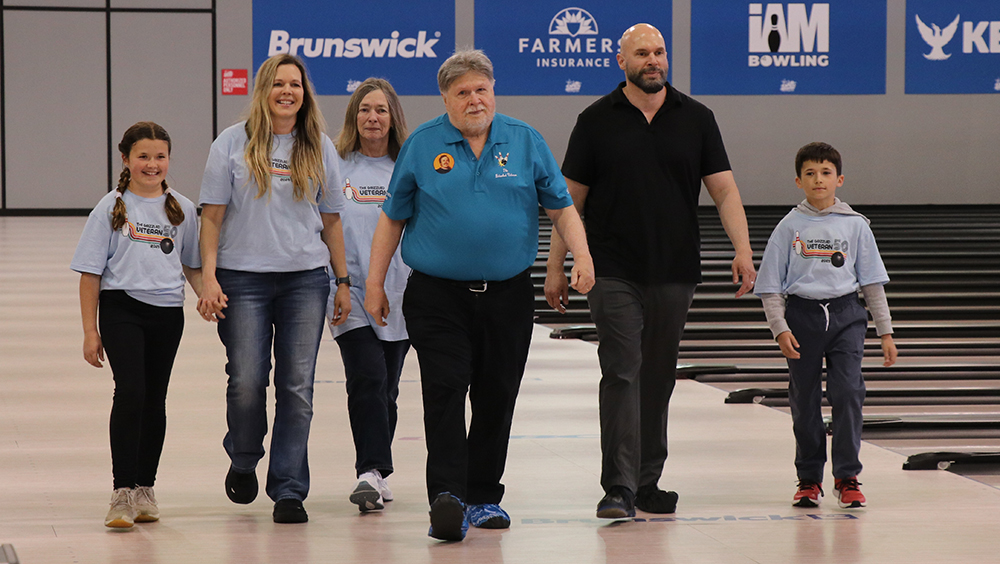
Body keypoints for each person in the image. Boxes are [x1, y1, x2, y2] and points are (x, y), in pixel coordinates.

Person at [365, 49, 595, 541]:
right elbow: (392, 217)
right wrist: (374, 283)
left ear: (494, 92)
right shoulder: (423, 144)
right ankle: (447, 497)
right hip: (436, 295)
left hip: (507, 295)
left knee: (496, 395)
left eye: (482, 90)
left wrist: (582, 256)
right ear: (445, 98)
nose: (474, 100)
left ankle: (484, 496)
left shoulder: (524, 140)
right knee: (445, 389)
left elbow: (561, 206)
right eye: (463, 92)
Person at [544, 23, 756, 519]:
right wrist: (556, 265)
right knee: (622, 370)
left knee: (658, 376)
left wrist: (744, 249)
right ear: (622, 61)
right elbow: (569, 199)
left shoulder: (696, 118)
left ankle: (647, 482)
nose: (653, 60)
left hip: (675, 268)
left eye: (659, 52)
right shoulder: (595, 120)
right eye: (642, 53)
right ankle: (618, 487)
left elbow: (724, 190)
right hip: (611, 268)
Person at [197, 54, 350, 524]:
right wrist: (208, 277)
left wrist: (343, 281)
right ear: (263, 90)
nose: (287, 91)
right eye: (279, 84)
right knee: (246, 381)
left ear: (305, 93)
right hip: (243, 279)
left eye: (295, 84)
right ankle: (244, 458)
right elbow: (211, 217)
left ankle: (288, 489)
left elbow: (331, 220)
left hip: (305, 279)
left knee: (297, 387)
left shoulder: (318, 145)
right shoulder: (231, 143)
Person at [71, 122, 202, 528]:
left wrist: (207, 296)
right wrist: (90, 331)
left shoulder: (182, 208)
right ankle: (122, 491)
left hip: (167, 314)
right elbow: (90, 274)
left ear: (169, 159)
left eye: (160, 156)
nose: (152, 164)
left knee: (155, 398)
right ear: (126, 159)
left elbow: (192, 266)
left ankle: (145, 488)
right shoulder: (110, 207)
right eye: (143, 156)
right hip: (121, 308)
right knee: (131, 391)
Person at [754, 142, 897, 509]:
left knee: (848, 392)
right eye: (810, 173)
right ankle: (808, 479)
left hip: (847, 315)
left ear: (839, 180)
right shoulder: (788, 227)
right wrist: (780, 328)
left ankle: (847, 476)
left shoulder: (856, 225)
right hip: (802, 316)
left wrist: (885, 332)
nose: (818, 179)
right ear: (798, 181)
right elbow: (770, 286)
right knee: (804, 399)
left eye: (826, 173)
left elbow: (872, 283)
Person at [329, 77, 411, 512]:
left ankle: (377, 473)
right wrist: (338, 282)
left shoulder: (408, 167)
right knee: (368, 377)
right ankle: (369, 471)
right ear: (353, 117)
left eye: (380, 110)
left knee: (388, 388)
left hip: (400, 294)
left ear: (392, 117)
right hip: (349, 290)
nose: (372, 117)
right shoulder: (336, 165)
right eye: (364, 109)